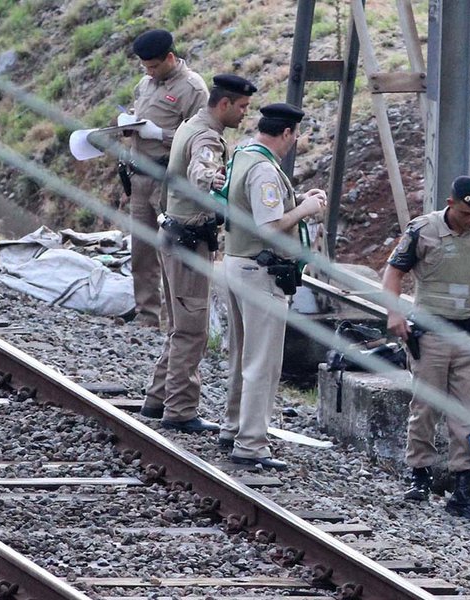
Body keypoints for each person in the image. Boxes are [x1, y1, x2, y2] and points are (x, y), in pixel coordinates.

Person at [382, 176, 470, 524]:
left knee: (468, 415)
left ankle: (463, 488)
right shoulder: (422, 231)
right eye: (465, 213)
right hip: (430, 334)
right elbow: (393, 273)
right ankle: (420, 475)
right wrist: (394, 312)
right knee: (425, 406)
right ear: (450, 203)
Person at [139, 74, 257, 433]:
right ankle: (181, 408)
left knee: (179, 326)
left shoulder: (190, 125)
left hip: (173, 234)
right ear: (224, 104)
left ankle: (158, 398)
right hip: (189, 242)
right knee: (192, 331)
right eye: (241, 107)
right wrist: (220, 182)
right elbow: (201, 172)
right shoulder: (207, 137)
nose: (243, 115)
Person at [221, 103, 327, 470]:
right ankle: (250, 444)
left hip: (236, 263)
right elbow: (268, 226)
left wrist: (296, 202)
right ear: (286, 133)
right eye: (294, 135)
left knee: (241, 356)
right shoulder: (265, 169)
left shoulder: (243, 156)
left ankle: (232, 426)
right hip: (259, 271)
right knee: (262, 363)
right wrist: (306, 209)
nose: (294, 141)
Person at [122, 28, 208, 327]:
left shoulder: (193, 88)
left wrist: (160, 135)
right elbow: (140, 109)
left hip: (168, 181)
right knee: (141, 252)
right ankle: (147, 317)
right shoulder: (145, 84)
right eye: (145, 67)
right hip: (139, 177)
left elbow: (201, 137)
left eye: (155, 66)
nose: (150, 72)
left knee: (170, 253)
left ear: (170, 58)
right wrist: (130, 125)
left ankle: (177, 324)